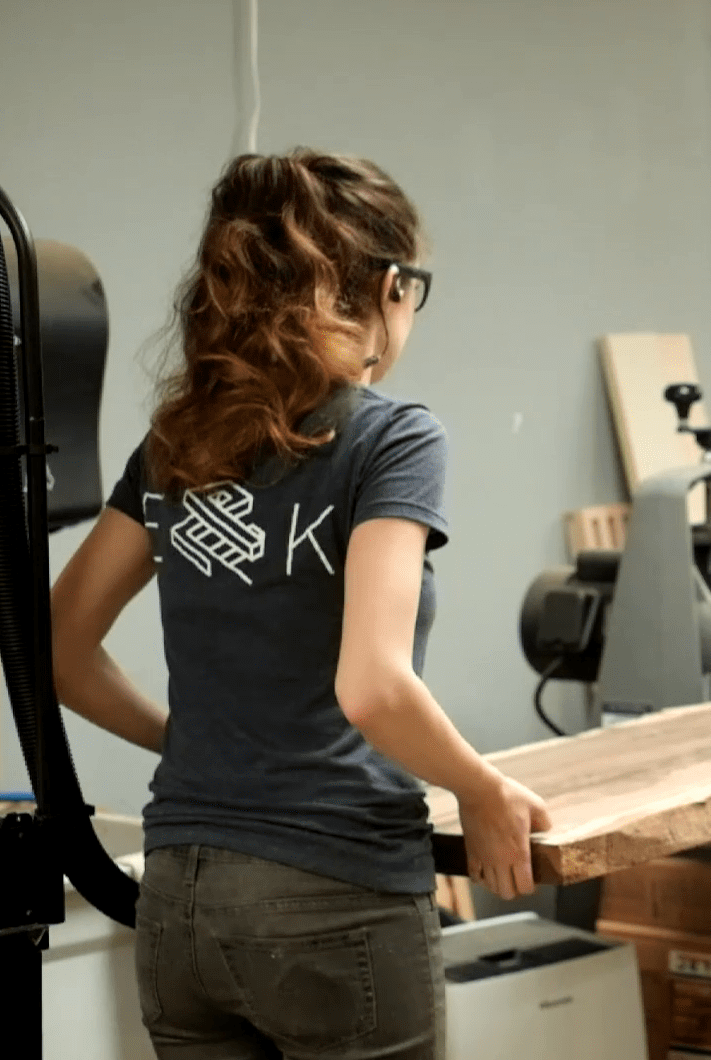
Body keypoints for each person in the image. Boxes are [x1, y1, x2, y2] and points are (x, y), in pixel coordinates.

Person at [48, 149, 551, 1059]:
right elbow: (374, 688)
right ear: (391, 286)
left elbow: (59, 646)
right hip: (335, 891)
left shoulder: (178, 441)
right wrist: (482, 789)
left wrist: (194, 740)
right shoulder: (393, 437)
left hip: (180, 901)